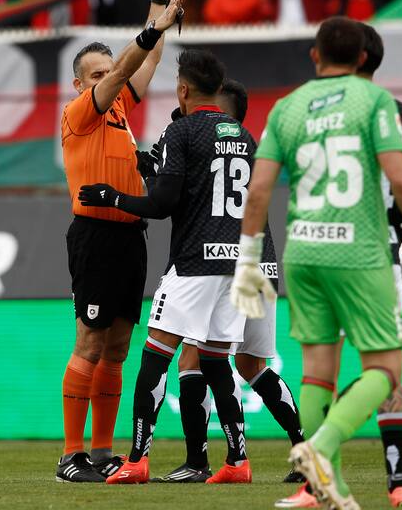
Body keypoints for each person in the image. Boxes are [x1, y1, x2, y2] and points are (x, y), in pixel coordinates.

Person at [231, 16, 402, 510]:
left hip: (304, 250)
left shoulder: (286, 107)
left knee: (316, 374)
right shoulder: (377, 103)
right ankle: (321, 448)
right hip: (363, 251)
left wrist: (246, 261)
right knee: (387, 369)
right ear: (365, 59)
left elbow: (259, 189)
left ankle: (331, 490)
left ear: (314, 56)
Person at [79, 50, 259, 485]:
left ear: (183, 90)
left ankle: (137, 459)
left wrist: (111, 197)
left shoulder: (183, 131)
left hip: (194, 262)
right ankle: (237, 461)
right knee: (217, 364)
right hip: (235, 263)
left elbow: (161, 204)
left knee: (155, 356)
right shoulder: (243, 135)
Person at [57, 0, 184, 483]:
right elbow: (136, 61)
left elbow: (145, 64)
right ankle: (71, 455)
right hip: (94, 234)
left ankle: (104, 452)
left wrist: (159, 2)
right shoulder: (80, 111)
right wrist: (154, 24)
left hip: (130, 235)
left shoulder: (117, 109)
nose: (106, 79)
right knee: (88, 342)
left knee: (116, 346)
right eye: (96, 74)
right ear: (79, 84)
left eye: (108, 71)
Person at [150, 79, 304, 485]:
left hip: (218, 264)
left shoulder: (206, 144)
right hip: (261, 263)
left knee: (191, 357)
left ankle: (198, 461)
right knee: (252, 364)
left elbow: (177, 201)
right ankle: (303, 449)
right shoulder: (251, 145)